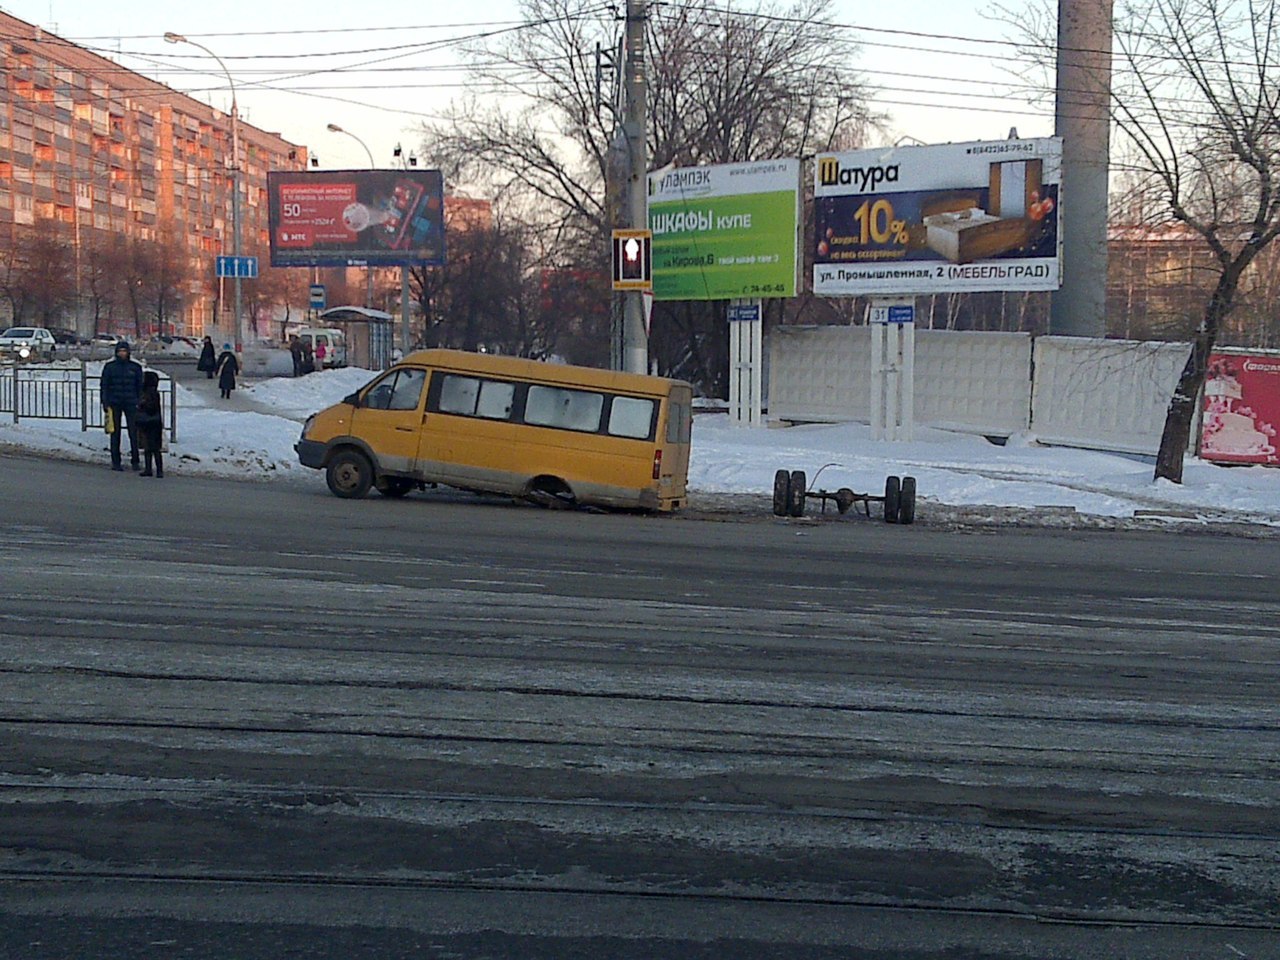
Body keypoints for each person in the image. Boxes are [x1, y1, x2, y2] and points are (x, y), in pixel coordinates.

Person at [99, 340, 143, 471]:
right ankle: (115, 461)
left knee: (133, 433)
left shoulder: (135, 367)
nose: (122, 353)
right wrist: (105, 402)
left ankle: (135, 461)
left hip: (131, 403)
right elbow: (104, 386)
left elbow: (139, 386)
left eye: (124, 351)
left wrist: (139, 401)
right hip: (114, 403)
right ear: (116, 352)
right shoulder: (110, 367)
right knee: (115, 433)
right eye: (120, 351)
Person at [134, 370, 165, 478]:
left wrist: (141, 406)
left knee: (150, 448)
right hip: (154, 423)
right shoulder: (153, 392)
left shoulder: (148, 393)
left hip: (149, 422)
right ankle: (156, 470)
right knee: (153, 448)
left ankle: (151, 469)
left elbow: (151, 408)